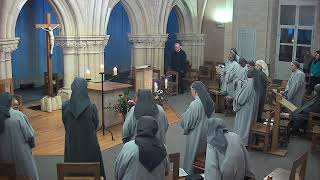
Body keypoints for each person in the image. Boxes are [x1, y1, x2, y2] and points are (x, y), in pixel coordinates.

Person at [62, 78, 105, 178]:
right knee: (93, 165)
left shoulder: (65, 106)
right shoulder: (91, 106)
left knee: (72, 164)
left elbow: (65, 123)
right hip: (90, 143)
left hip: (72, 142)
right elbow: (96, 124)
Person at [115, 116, 169, 180]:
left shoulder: (129, 147)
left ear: (138, 129)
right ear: (155, 130)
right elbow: (166, 171)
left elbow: (118, 170)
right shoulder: (162, 147)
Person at [0, 92, 39, 180]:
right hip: (21, 154)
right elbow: (30, 135)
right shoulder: (18, 115)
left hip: (3, 156)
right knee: (26, 174)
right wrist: (31, 147)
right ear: (10, 102)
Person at [181, 81, 214, 174]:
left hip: (196, 135)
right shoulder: (210, 101)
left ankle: (190, 173)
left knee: (193, 155)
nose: (191, 92)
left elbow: (188, 122)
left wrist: (184, 116)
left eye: (191, 90)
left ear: (195, 90)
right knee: (203, 154)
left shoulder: (195, 104)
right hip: (206, 134)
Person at [233, 68, 258, 146]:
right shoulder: (255, 82)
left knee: (242, 127)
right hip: (250, 107)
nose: (247, 73)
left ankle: (241, 142)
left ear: (251, 74)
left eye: (248, 72)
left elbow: (241, 100)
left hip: (244, 109)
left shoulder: (248, 85)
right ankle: (245, 141)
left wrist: (236, 100)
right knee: (247, 126)